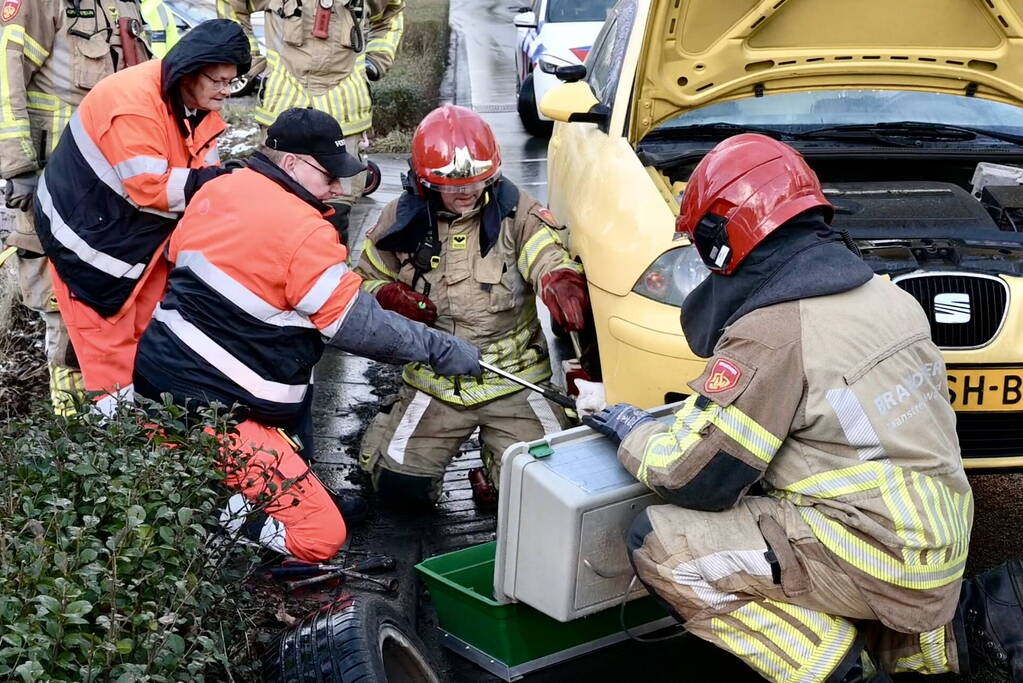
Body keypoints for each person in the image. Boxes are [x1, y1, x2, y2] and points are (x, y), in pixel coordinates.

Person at [584, 134, 1023, 682]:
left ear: (720, 241)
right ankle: (948, 643)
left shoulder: (773, 331)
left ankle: (837, 668)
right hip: (940, 540)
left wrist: (632, 428)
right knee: (791, 522)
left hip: (877, 551)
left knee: (662, 544)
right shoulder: (886, 295)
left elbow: (692, 477)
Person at [133, 107, 481, 562]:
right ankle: (211, 514)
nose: (337, 188)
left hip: (161, 377)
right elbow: (356, 325)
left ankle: (280, 490)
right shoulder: (302, 228)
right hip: (218, 409)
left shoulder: (220, 188)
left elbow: (190, 263)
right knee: (320, 537)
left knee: (300, 360)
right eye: (329, 175)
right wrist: (440, 348)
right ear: (293, 164)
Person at [355, 104, 590, 505]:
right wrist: (387, 295)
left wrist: (559, 279)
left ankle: (495, 471)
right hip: (435, 382)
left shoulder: (518, 212)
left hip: (515, 381)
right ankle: (400, 439)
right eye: (451, 184)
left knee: (550, 492)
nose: (466, 191)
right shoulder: (399, 221)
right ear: (426, 182)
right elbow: (361, 281)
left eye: (476, 181)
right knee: (400, 493)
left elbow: (547, 254)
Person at [33, 19, 251, 416]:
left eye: (231, 82)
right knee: (108, 350)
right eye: (218, 81)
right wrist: (217, 184)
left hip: (135, 237)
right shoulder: (134, 103)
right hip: (87, 243)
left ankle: (139, 429)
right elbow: (150, 188)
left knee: (145, 336)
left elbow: (205, 177)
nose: (225, 90)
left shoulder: (193, 104)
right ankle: (112, 432)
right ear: (190, 72)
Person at [0, 0, 152, 414]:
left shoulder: (126, 3)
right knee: (64, 312)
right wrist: (19, 167)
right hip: (58, 184)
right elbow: (6, 80)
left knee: (121, 306)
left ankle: (116, 422)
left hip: (122, 188)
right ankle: (72, 426)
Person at [217, 0, 405, 245]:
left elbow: (392, 13)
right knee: (272, 212)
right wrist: (249, 60)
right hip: (283, 108)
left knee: (334, 217)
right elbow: (230, 6)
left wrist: (377, 60)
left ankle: (329, 268)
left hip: (345, 111)